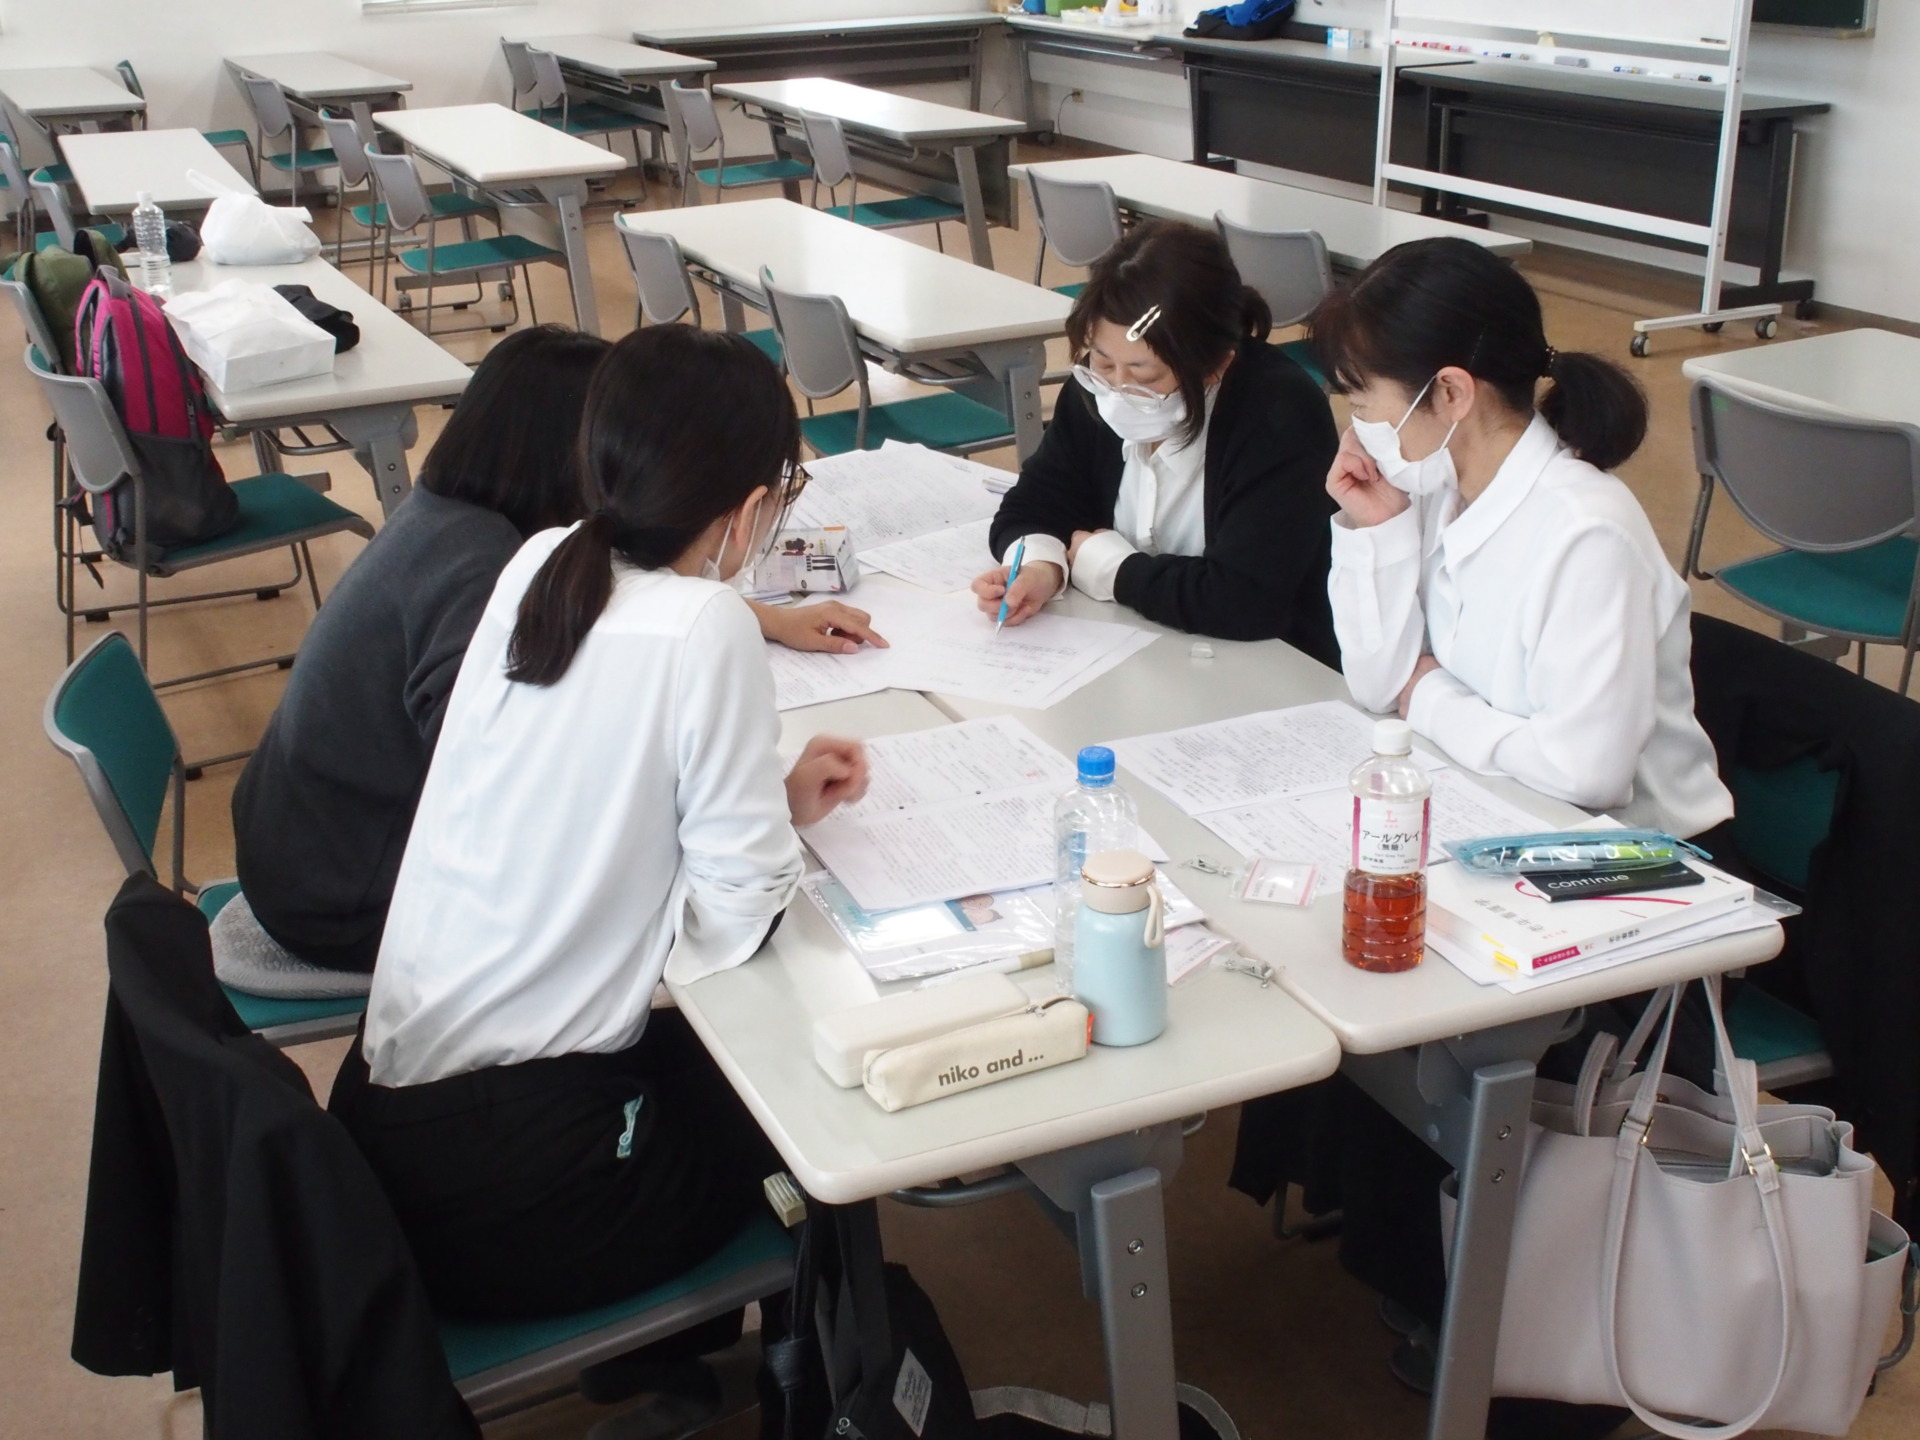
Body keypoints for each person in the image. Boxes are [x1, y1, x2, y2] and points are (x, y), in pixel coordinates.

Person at [330, 325, 868, 1323]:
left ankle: (672, 1360)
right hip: (520, 1189)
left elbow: (588, 784)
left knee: (709, 1064)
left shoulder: (542, 560)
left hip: (394, 1120)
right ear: (750, 508)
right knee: (812, 1109)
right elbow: (736, 914)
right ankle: (816, 1360)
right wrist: (753, 842)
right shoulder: (704, 623)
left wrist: (766, 801)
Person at [233, 326, 884, 975]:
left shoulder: (470, 528)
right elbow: (529, 819)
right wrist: (758, 806)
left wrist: (762, 623)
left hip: (311, 846)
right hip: (349, 896)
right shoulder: (485, 575)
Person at [1316, 236, 1731, 837]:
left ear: (1451, 393)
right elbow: (1379, 687)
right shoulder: (1434, 483)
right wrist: (1378, 529)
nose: (1358, 429)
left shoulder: (1586, 533)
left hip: (1631, 852)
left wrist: (1429, 697)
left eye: (1363, 402)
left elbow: (1584, 773)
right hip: (1496, 804)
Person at [973, 219, 1340, 660]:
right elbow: (1034, 503)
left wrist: (1116, 571)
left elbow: (1246, 600)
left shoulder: (1280, 414)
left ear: (1215, 366)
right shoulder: (1094, 390)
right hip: (1139, 648)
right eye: (1103, 362)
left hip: (1269, 664)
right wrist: (1040, 567)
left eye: (1144, 375)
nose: (1117, 389)